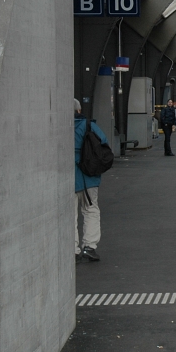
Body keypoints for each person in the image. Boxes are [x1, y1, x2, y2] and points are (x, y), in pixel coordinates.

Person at [74, 99, 108, 262]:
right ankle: (89, 246)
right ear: (79, 110)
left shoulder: (59, 127)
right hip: (89, 176)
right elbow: (104, 143)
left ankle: (72, 249)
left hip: (68, 177)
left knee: (70, 215)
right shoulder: (89, 125)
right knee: (91, 210)